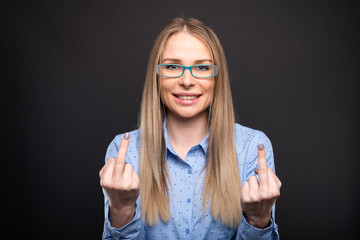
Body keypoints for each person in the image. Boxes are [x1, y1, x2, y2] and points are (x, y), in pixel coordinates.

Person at [99, 17, 281, 240]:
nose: (187, 80)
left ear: (217, 77)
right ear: (156, 76)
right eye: (173, 66)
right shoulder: (123, 152)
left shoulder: (252, 147)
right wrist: (121, 210)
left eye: (202, 67)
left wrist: (259, 220)